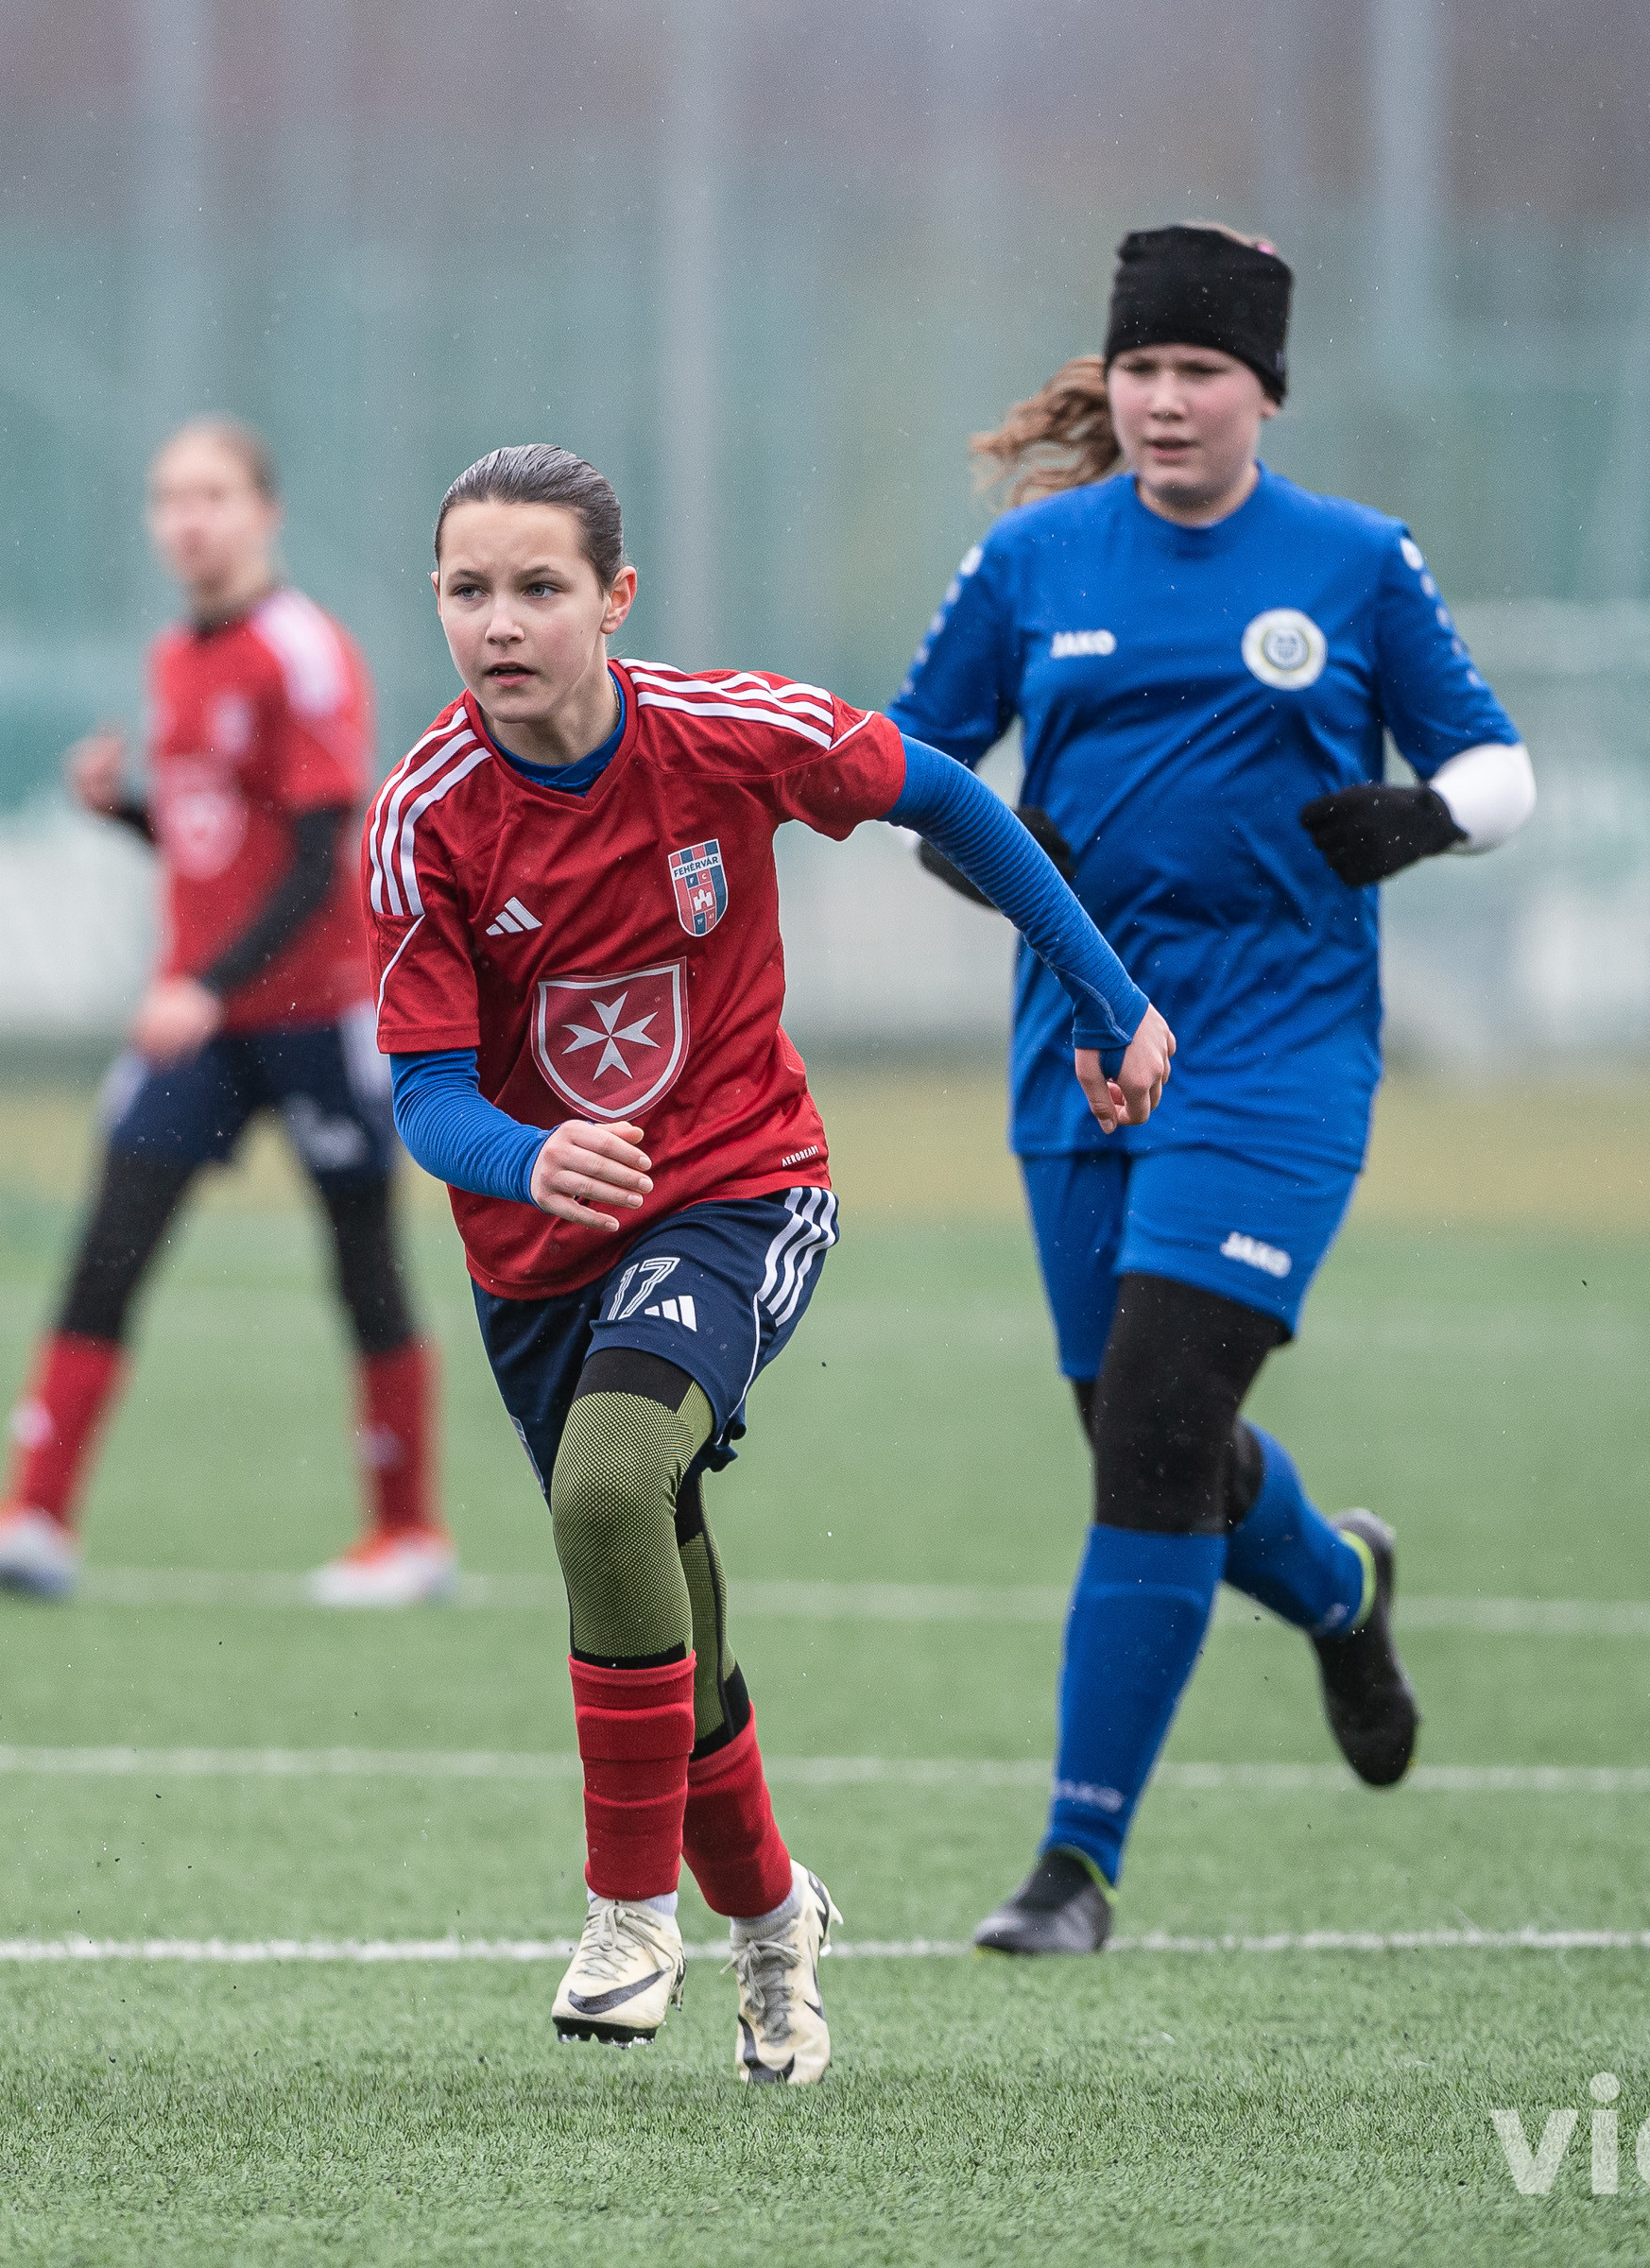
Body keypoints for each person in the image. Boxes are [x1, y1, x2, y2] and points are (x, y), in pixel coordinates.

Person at [375, 444, 1171, 2080]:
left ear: (617, 598)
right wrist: (529, 1157)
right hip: (540, 1253)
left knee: (609, 1488)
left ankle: (626, 1914)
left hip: (738, 1188)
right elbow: (430, 1095)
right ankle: (772, 1920)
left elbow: (951, 799)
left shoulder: (726, 733)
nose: (501, 622)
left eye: (539, 587)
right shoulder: (423, 820)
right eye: (468, 590)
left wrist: (1110, 996)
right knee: (662, 1597)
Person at [890, 225, 1537, 1955]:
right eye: (1142, 370)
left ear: (1267, 392)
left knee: (1161, 1429)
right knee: (1138, 1432)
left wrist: (1425, 816)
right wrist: (997, 862)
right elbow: (911, 766)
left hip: (1275, 1056)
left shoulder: (1353, 562)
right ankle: (1340, 1587)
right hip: (1086, 1049)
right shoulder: (1030, 561)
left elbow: (1498, 763)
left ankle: (1075, 1865)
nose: (1166, 400)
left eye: (1201, 371)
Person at [0, 417, 446, 1607]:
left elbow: (320, 853)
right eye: (169, 498)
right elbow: (222, 843)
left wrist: (204, 983)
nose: (188, 519)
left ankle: (409, 1537)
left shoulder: (302, 650)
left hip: (317, 1010)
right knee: (112, 1240)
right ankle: (35, 1518)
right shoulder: (173, 655)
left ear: (266, 513)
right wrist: (125, 814)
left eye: (213, 495)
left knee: (363, 1261)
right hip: (207, 1018)